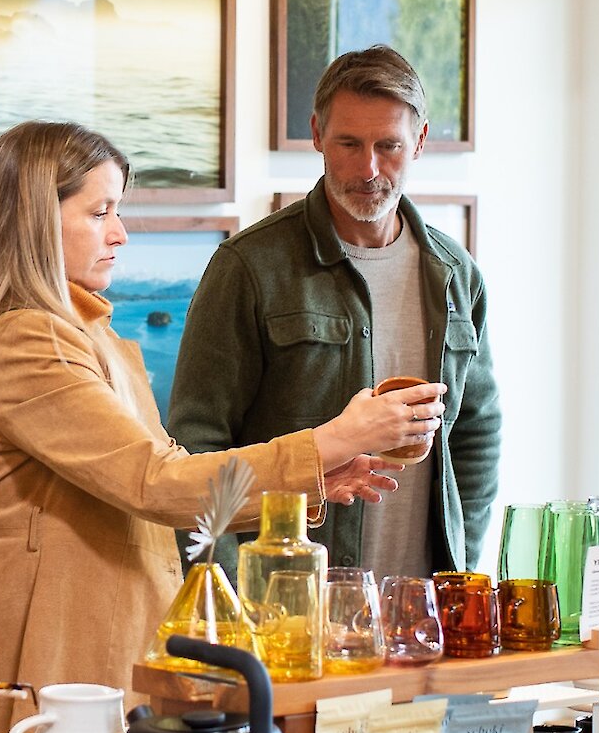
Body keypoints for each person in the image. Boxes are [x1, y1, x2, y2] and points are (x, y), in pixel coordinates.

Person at [0, 120, 441, 692]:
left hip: (94, 658)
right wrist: (339, 436)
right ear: (33, 222)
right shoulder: (30, 342)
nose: (119, 235)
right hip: (52, 668)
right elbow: (160, 483)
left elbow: (171, 486)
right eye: (99, 213)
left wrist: (312, 478)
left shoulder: (90, 337)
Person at [171, 45, 501, 578]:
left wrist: (458, 568)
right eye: (349, 143)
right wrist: (226, 591)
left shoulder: (456, 273)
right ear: (317, 135)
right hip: (284, 604)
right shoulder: (249, 267)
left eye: (388, 145)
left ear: (419, 142)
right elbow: (195, 449)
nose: (368, 168)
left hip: (419, 610)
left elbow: (475, 433)